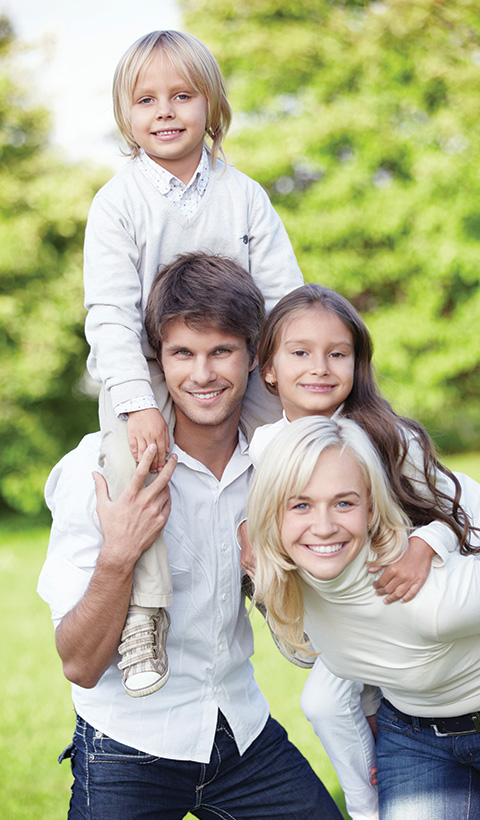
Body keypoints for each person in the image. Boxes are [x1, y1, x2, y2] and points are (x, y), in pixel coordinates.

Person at [38, 254, 342, 820]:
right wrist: (119, 556)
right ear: (158, 360)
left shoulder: (277, 466)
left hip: (240, 731)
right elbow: (78, 663)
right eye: (183, 353)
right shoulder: (98, 471)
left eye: (221, 351)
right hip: (128, 745)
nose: (202, 374)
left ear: (254, 357)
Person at [83, 29, 302, 696]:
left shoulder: (244, 197)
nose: (166, 111)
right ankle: (144, 612)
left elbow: (285, 295)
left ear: (212, 105)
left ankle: (267, 574)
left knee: (288, 442)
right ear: (127, 116)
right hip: (148, 369)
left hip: (236, 360)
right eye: (147, 100)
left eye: (183, 95)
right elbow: (110, 314)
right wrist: (140, 404)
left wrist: (294, 385)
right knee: (131, 458)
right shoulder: (118, 202)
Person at [240, 282, 473, 820]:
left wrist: (424, 543)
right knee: (323, 701)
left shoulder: (385, 435)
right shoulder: (268, 446)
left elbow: (465, 499)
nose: (319, 367)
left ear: (357, 363)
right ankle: (368, 806)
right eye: (300, 353)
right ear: (268, 368)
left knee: (371, 689)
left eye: (337, 354)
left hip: (409, 593)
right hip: (348, 621)